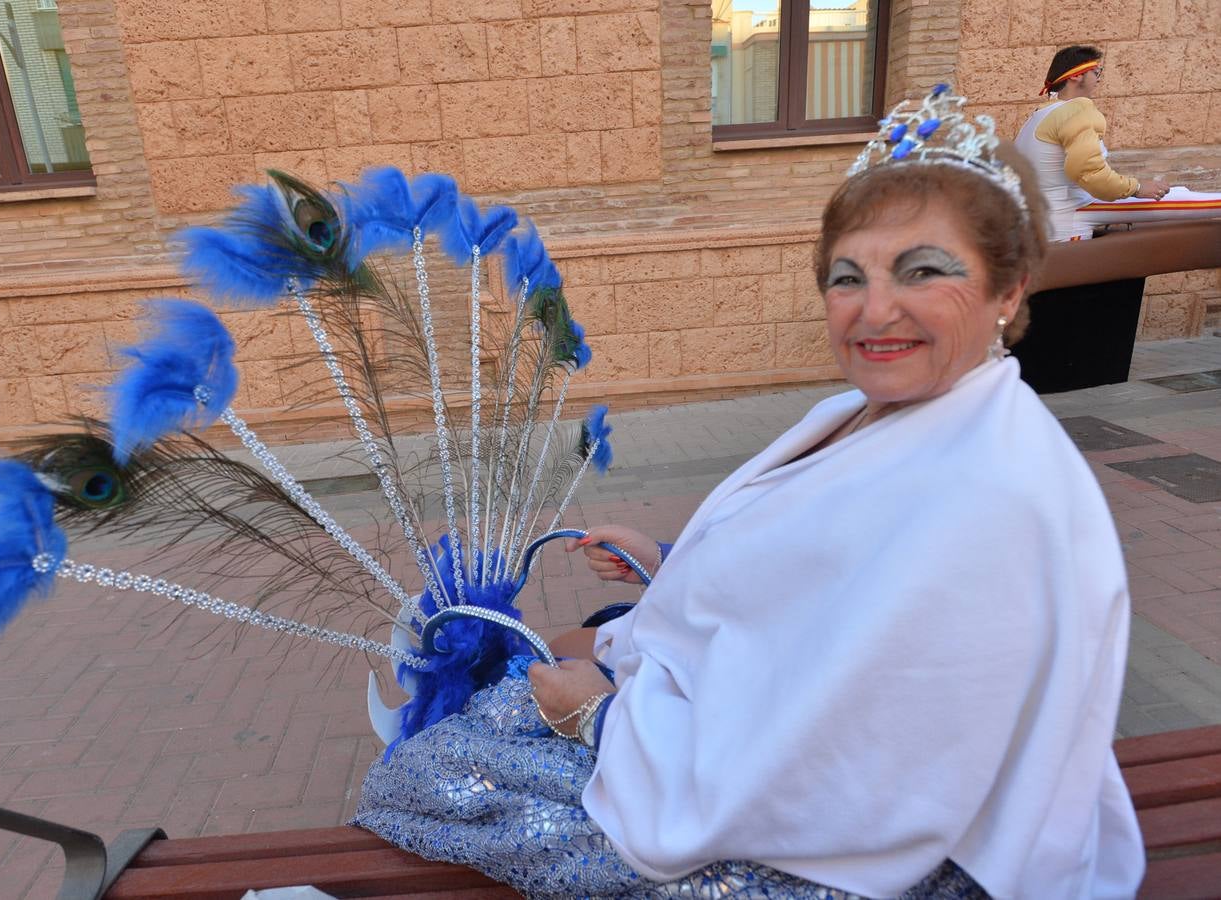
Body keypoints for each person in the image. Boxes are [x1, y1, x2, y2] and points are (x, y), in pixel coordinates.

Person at [354, 87, 1145, 898]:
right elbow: (823, 599)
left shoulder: (991, 496)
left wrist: (596, 721)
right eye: (847, 277)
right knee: (519, 691)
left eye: (923, 272)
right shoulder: (881, 415)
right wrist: (668, 564)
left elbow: (848, 768)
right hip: (755, 758)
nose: (875, 311)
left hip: (858, 853)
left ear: (1006, 290)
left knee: (441, 772)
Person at [1014, 45, 1221, 242]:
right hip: (1068, 215)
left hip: (1043, 214)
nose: (1098, 79)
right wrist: (1138, 188)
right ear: (1077, 75)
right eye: (1096, 72)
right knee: (1183, 200)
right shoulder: (1077, 110)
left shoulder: (1038, 114)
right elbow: (1089, 173)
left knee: (1179, 194)